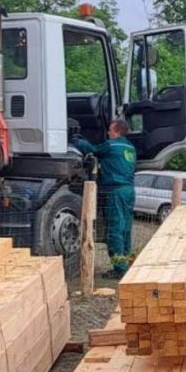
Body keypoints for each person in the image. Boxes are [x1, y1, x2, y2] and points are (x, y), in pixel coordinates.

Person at [72, 119, 137, 279]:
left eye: (110, 130)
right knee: (126, 229)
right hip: (129, 191)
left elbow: (92, 150)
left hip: (116, 191)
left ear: (117, 131)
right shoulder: (130, 148)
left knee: (115, 230)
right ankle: (126, 264)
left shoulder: (111, 145)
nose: (108, 133)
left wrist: (77, 140)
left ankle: (119, 269)